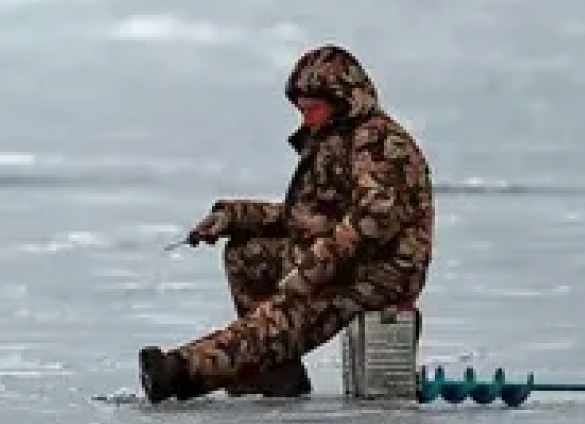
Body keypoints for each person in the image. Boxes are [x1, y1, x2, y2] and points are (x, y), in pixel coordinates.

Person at [139, 45, 433, 403]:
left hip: (378, 273)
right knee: (248, 253)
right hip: (342, 260)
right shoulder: (336, 140)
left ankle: (182, 371)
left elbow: (372, 222)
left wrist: (311, 269)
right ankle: (274, 374)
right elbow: (305, 216)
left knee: (286, 313)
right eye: (302, 110)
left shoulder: (381, 145)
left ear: (343, 100)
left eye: (313, 110)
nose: (307, 119)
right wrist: (235, 216)